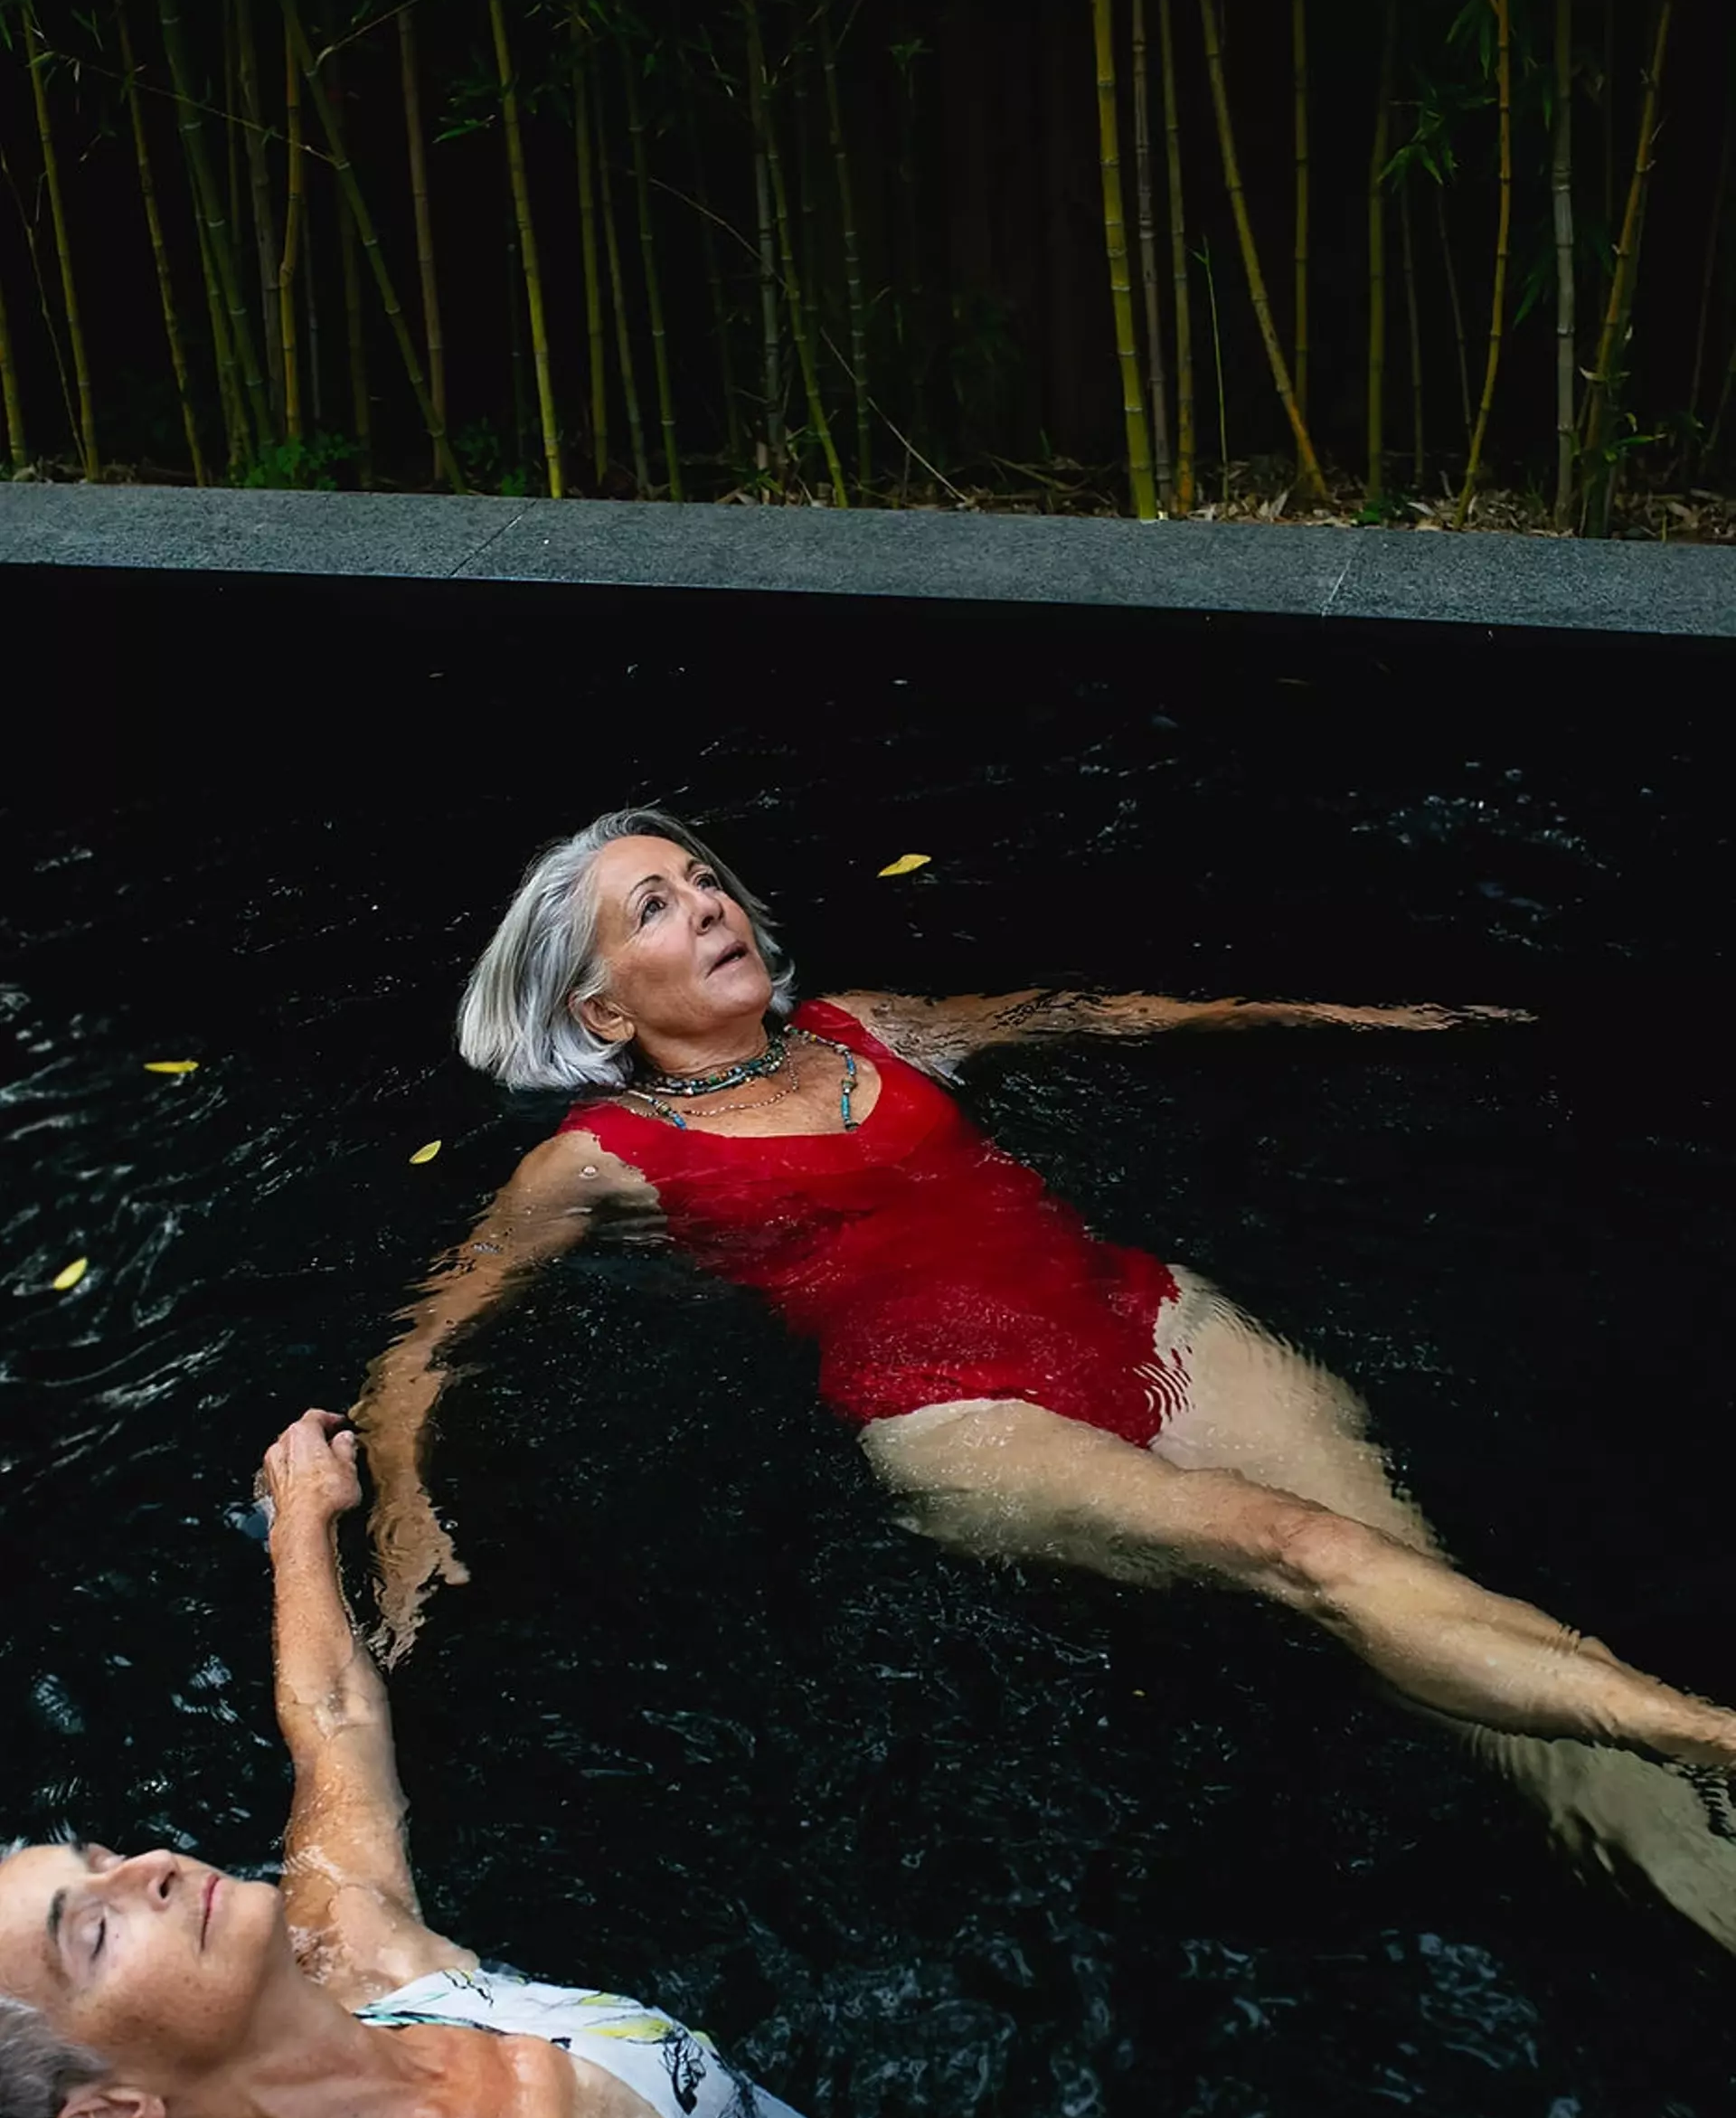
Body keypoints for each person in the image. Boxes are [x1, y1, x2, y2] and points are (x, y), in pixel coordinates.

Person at [358, 807, 1736, 1950]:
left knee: (1419, 1579)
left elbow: (1096, 1013)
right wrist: (409, 1506)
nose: (707, 904)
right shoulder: (595, 1159)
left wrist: (1345, 1012)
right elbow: (429, 1338)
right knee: (1305, 1552)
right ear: (598, 1006)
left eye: (705, 879)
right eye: (652, 906)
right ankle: (1709, 1728)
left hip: (1145, 1320)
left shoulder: (872, 1028)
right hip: (962, 1414)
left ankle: (1698, 1874)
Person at [0, 1411, 835, 2118]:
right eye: (93, 1932)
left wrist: (299, 1519)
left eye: (104, 1856)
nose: (149, 1865)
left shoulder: (365, 1946)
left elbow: (332, 1717)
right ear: (111, 2113)